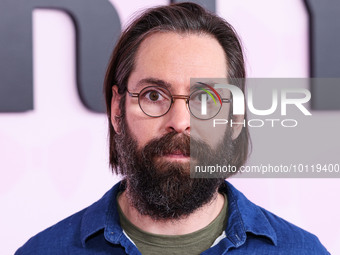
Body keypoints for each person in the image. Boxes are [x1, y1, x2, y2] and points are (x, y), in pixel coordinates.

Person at [16, 2, 329, 255]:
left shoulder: (303, 251)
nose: (179, 122)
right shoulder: (41, 251)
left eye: (206, 100)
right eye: (154, 95)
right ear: (116, 109)